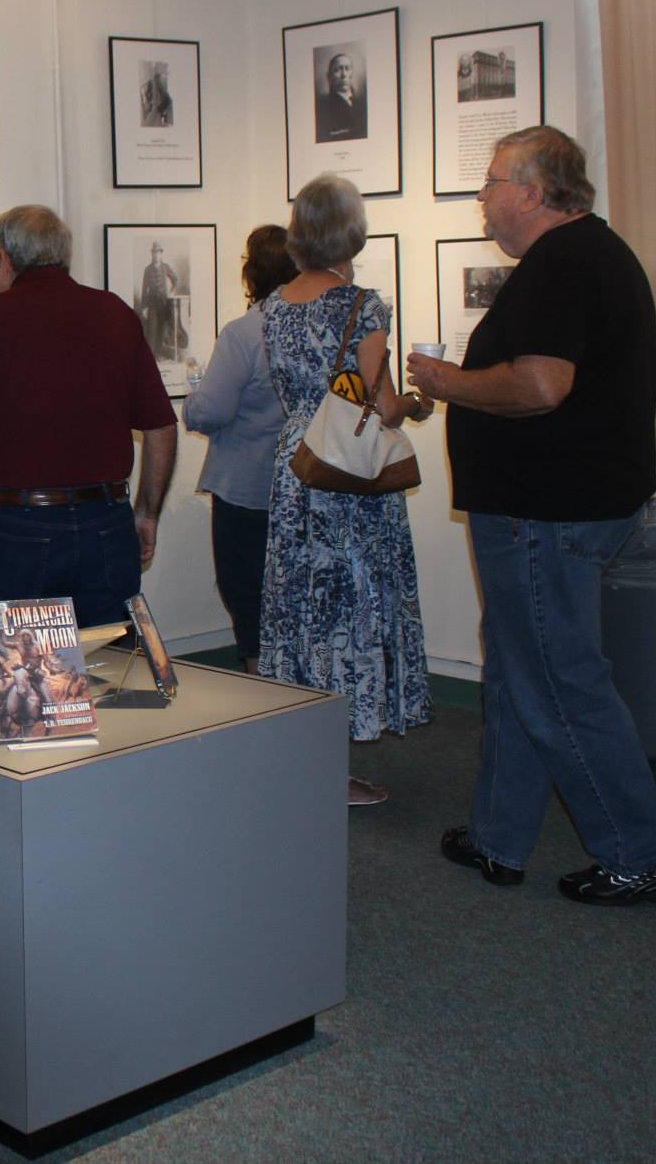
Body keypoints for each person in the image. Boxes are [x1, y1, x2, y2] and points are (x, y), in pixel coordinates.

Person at [407, 125, 656, 906]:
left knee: (558, 681)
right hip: (550, 507)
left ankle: (643, 854)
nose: (483, 197)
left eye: (493, 181)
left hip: (548, 513)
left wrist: (444, 381)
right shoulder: (581, 257)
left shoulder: (566, 263)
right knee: (514, 669)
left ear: (533, 192)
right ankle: (501, 837)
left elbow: (540, 387)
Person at [260, 175, 433, 806]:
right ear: (351, 232)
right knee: (349, 608)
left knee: (299, 607)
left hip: (296, 465)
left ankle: (303, 753)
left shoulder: (276, 304)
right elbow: (376, 406)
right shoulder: (363, 308)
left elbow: (302, 393)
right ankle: (335, 769)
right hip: (347, 477)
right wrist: (417, 402)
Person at [0, 204, 177, 628]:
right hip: (108, 521)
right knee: (113, 673)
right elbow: (160, 428)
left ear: (7, 259)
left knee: (26, 682)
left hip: (21, 530)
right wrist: (147, 512)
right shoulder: (115, 313)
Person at [183, 225, 298, 675]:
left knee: (249, 596)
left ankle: (261, 693)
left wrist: (192, 398)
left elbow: (210, 411)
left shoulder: (246, 332)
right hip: (307, 484)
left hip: (246, 488)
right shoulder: (317, 327)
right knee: (296, 597)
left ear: (252, 271)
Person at [136, 242, 187, 362]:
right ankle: (150, 358)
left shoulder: (166, 267)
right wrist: (144, 307)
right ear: (151, 254)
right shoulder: (147, 269)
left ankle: (158, 355)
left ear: (161, 254)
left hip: (164, 304)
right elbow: (144, 289)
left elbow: (175, 280)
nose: (156, 255)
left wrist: (171, 292)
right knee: (152, 331)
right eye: (154, 253)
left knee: (161, 330)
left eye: (158, 253)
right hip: (152, 304)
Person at [315, 52, 366, 143]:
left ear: (352, 73)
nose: (344, 75)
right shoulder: (322, 107)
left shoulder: (363, 103)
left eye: (347, 68)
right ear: (329, 76)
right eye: (338, 70)